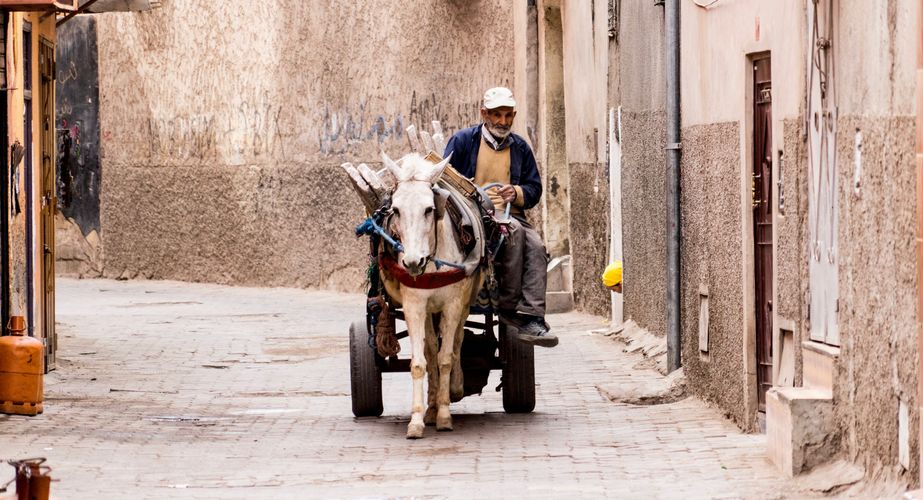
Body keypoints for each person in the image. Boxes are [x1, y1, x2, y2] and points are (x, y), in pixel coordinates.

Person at [444, 87, 557, 348]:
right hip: (469, 215)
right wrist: (467, 189)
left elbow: (534, 189)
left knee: (537, 247)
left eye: (508, 116)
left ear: (513, 115)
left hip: (510, 213)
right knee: (513, 230)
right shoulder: (463, 141)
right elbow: (444, 178)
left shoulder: (520, 148)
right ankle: (508, 305)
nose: (502, 122)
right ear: (484, 113)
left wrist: (515, 192)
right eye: (496, 115)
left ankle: (531, 315)